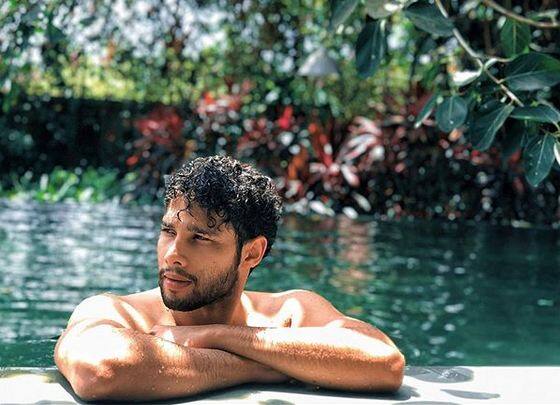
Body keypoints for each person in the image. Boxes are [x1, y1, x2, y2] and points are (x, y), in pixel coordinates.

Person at [54, 155, 405, 401]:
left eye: (200, 237)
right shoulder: (118, 312)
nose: (172, 254)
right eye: (168, 231)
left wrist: (214, 335)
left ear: (251, 253)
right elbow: (100, 369)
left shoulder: (290, 311)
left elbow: (385, 363)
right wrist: (261, 366)